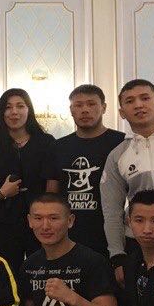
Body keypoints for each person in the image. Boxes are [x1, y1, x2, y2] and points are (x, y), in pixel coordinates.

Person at [0, 89, 59, 273]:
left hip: (40, 224)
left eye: (20, 106)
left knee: (42, 274)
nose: (14, 112)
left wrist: (46, 217)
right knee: (5, 275)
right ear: (2, 113)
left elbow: (52, 185)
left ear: (29, 110)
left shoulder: (46, 142)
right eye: (8, 107)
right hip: (3, 224)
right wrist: (2, 194)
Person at [101, 79, 154, 277]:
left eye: (145, 98)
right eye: (130, 101)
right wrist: (117, 255)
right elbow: (111, 210)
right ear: (122, 112)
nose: (138, 105)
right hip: (140, 246)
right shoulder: (117, 155)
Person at [55, 85, 125, 257]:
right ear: (71, 110)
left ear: (104, 107)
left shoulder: (122, 142)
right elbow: (52, 193)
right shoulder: (58, 147)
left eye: (91, 104)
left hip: (114, 233)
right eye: (78, 105)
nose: (85, 110)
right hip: (68, 234)